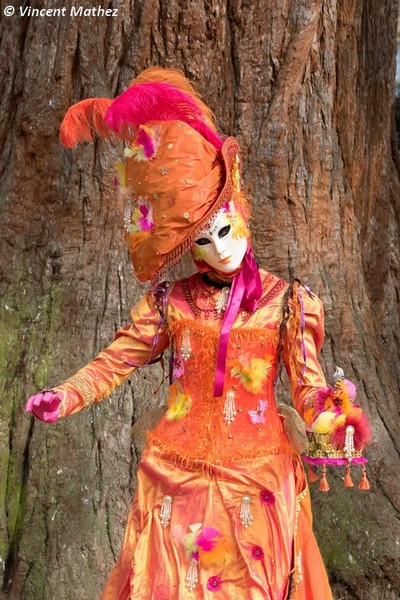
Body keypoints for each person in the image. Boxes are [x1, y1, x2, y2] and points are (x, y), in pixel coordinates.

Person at [26, 68, 334, 599]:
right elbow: (115, 360)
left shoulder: (288, 302)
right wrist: (66, 394)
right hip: (176, 480)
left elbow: (308, 387)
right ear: (185, 247)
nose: (219, 248)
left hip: (258, 481)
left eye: (224, 226)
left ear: (241, 208)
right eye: (201, 239)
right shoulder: (172, 302)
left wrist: (334, 418)